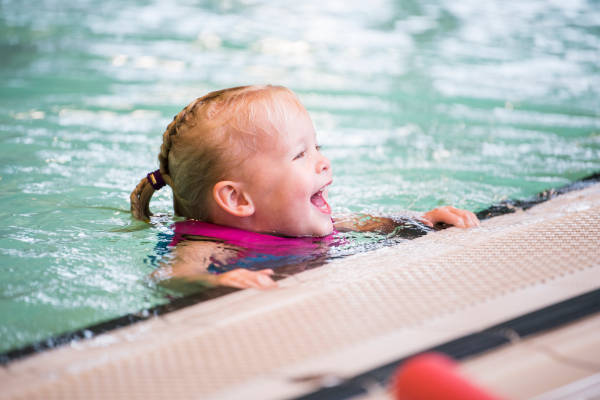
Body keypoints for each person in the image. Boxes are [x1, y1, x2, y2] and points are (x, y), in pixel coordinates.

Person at [130, 85, 479, 289]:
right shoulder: (209, 245)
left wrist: (421, 219)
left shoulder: (294, 218)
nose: (322, 161)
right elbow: (173, 275)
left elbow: (368, 222)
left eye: (318, 147)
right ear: (237, 198)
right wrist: (215, 283)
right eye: (300, 154)